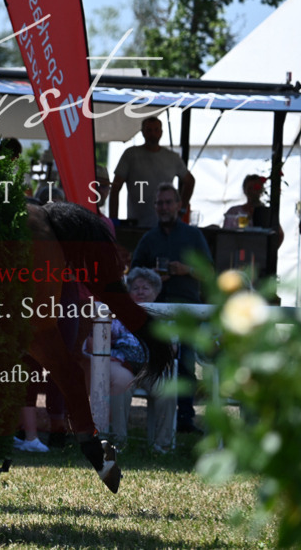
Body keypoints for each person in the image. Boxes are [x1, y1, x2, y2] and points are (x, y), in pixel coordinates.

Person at [130, 183, 212, 433]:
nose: (164, 207)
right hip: (155, 311)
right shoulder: (149, 238)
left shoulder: (193, 235)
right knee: (157, 360)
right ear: (155, 207)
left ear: (179, 205)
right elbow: (133, 275)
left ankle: (186, 417)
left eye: (168, 202)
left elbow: (210, 273)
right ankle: (162, 416)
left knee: (186, 362)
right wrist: (152, 276)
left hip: (188, 309)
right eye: (160, 203)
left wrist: (188, 270)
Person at [81, 267, 177, 452]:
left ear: (156, 292)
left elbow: (172, 349)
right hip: (122, 363)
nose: (140, 291)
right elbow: (97, 342)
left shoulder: (165, 316)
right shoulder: (117, 313)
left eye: (146, 287)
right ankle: (118, 442)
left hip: (151, 366)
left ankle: (162, 445)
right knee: (121, 383)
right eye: (136, 288)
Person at [109, 116, 195, 228]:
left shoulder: (172, 157)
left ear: (161, 132)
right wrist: (113, 221)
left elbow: (190, 181)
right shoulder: (131, 154)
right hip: (137, 224)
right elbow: (115, 188)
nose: (152, 134)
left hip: (165, 225)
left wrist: (181, 209)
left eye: (156, 130)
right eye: (149, 130)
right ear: (142, 132)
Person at [223, 173, 284, 245]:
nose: (252, 192)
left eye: (256, 188)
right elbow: (224, 235)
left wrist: (269, 252)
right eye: (249, 188)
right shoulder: (234, 212)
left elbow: (279, 235)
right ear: (244, 190)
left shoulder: (267, 213)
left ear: (261, 190)